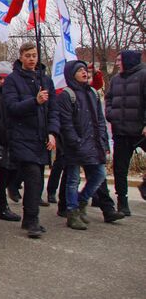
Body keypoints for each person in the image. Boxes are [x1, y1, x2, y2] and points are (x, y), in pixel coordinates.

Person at [3, 42, 59, 239]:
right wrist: (34, 101)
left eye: (34, 55)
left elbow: (53, 110)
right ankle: (33, 220)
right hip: (21, 136)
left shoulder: (45, 80)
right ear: (21, 57)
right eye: (27, 55)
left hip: (40, 136)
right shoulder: (12, 80)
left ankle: (28, 217)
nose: (31, 59)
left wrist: (52, 132)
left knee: (36, 179)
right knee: (34, 175)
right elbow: (12, 107)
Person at [57, 60, 111, 230]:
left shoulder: (93, 93)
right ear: (71, 74)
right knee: (73, 179)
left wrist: (103, 140)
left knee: (100, 174)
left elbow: (100, 120)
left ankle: (81, 201)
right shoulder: (67, 95)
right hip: (75, 145)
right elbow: (65, 123)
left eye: (84, 70)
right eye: (79, 70)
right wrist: (75, 141)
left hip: (94, 143)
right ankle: (72, 212)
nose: (84, 72)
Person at [105, 50, 146, 216]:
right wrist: (110, 114)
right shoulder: (115, 80)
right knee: (120, 169)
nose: (117, 63)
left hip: (141, 131)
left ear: (129, 61)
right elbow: (108, 98)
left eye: (119, 60)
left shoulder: (144, 75)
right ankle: (122, 202)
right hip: (121, 131)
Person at [0, 61, 22, 222]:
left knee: (15, 170)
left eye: (5, 78)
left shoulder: (14, 92)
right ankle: (3, 207)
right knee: (2, 171)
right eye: (0, 78)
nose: (3, 81)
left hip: (14, 137)